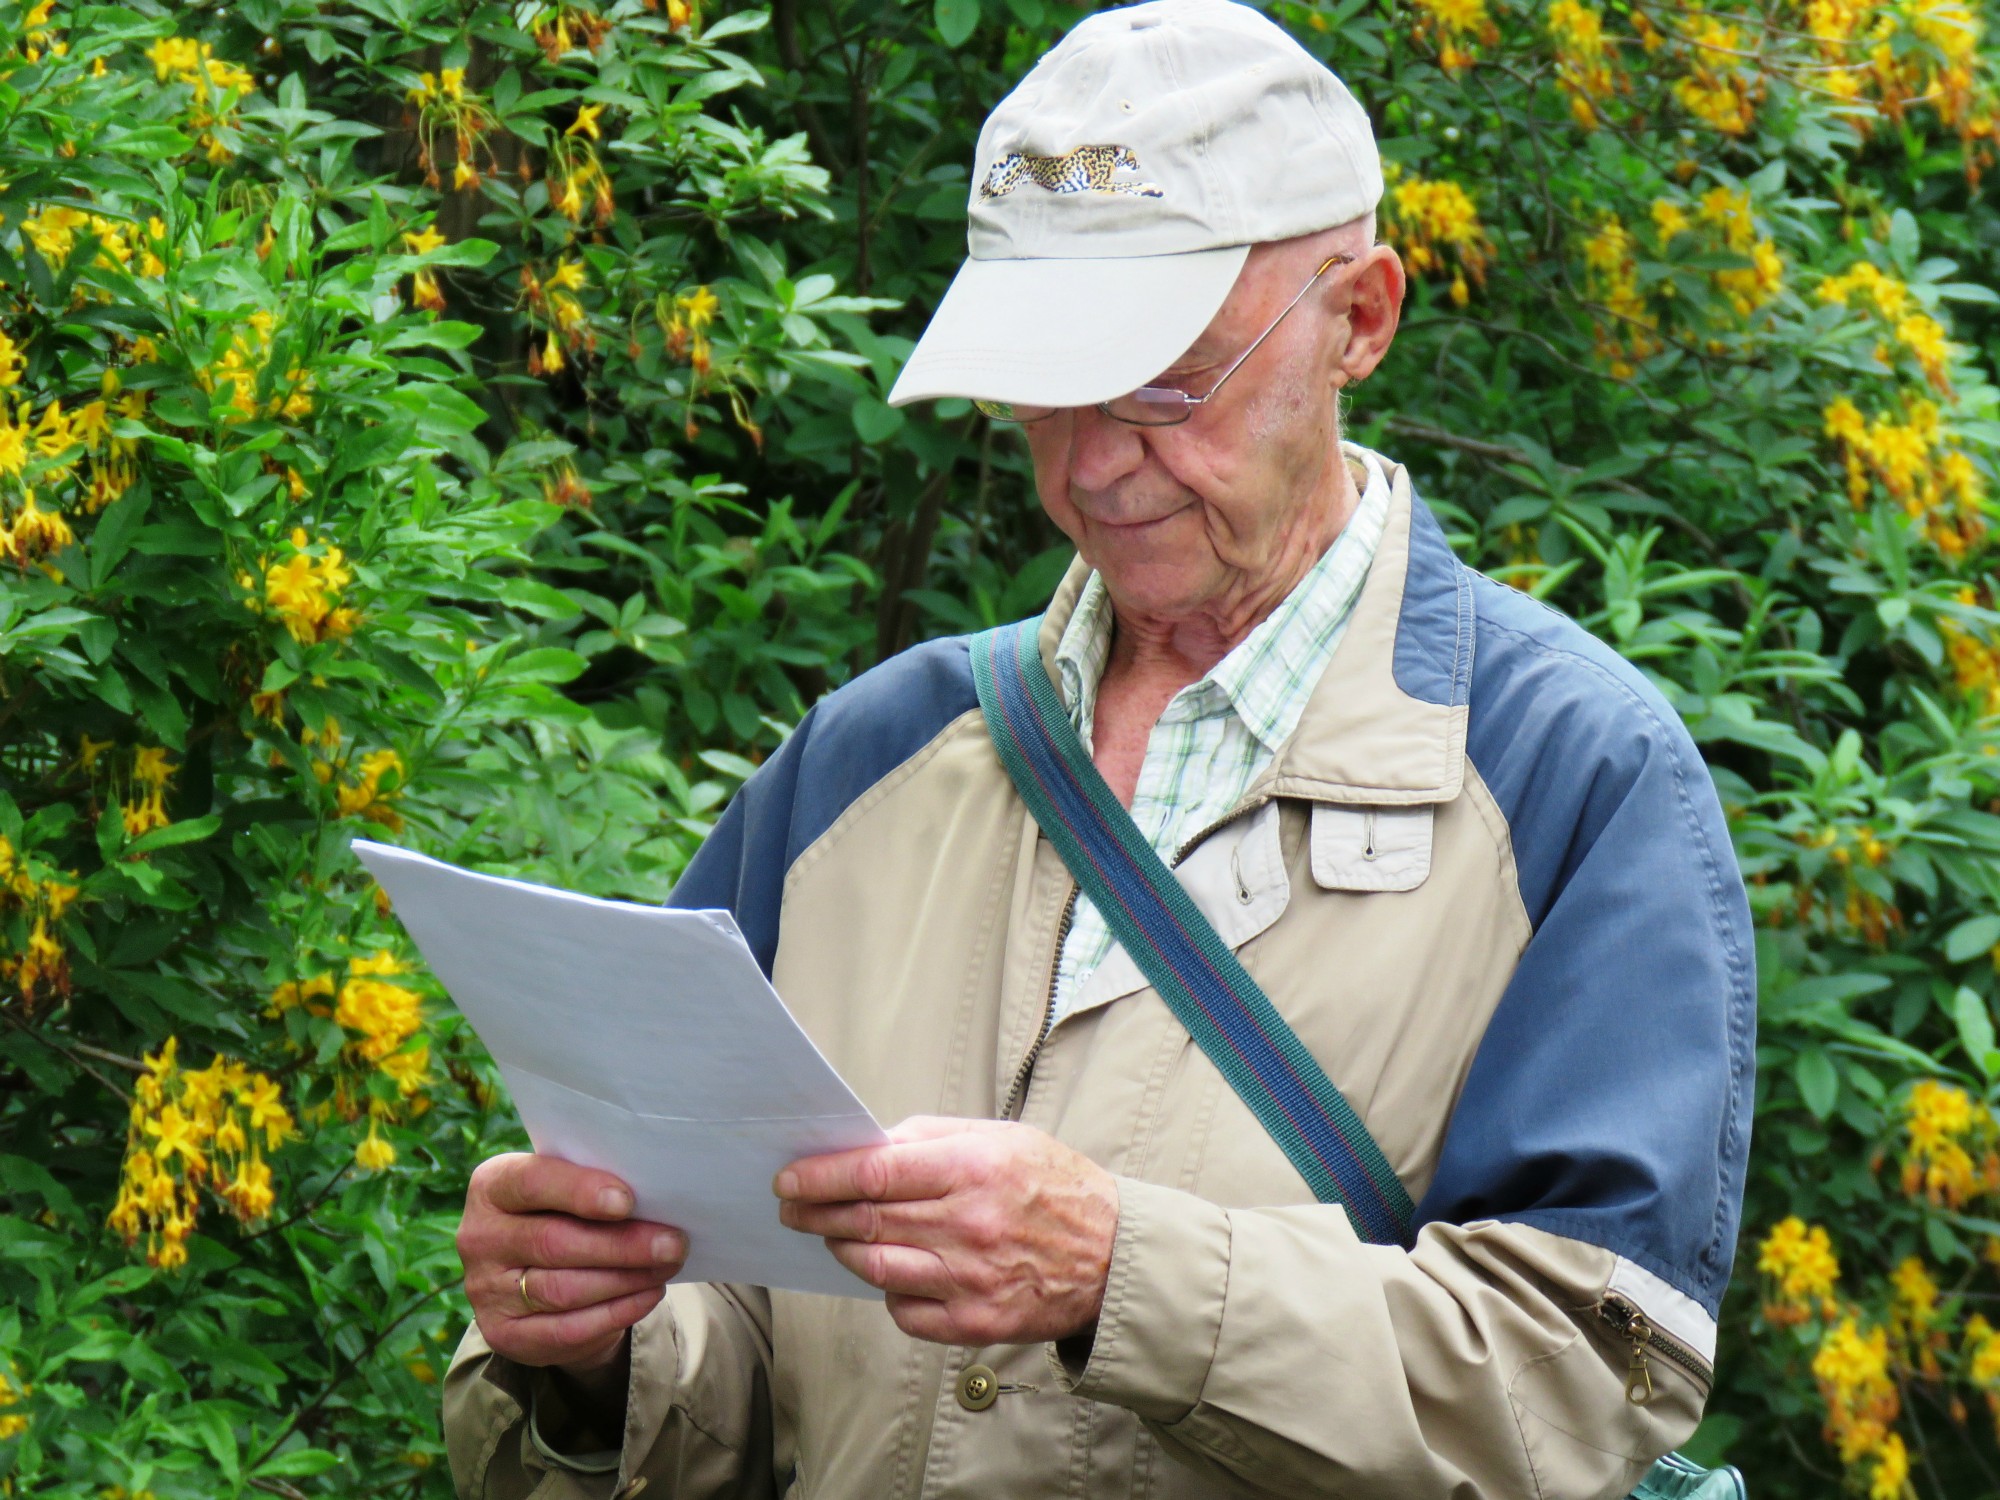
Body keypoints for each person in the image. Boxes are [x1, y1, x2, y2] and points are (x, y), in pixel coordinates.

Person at [443, 2, 1756, 1497]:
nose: (1092, 460)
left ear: (1363, 317)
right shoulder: (861, 763)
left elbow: (1579, 1387)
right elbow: (733, 1355)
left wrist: (1120, 1273)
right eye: (1046, 386)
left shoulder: (1576, 784)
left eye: (1167, 381)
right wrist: (591, 1352)